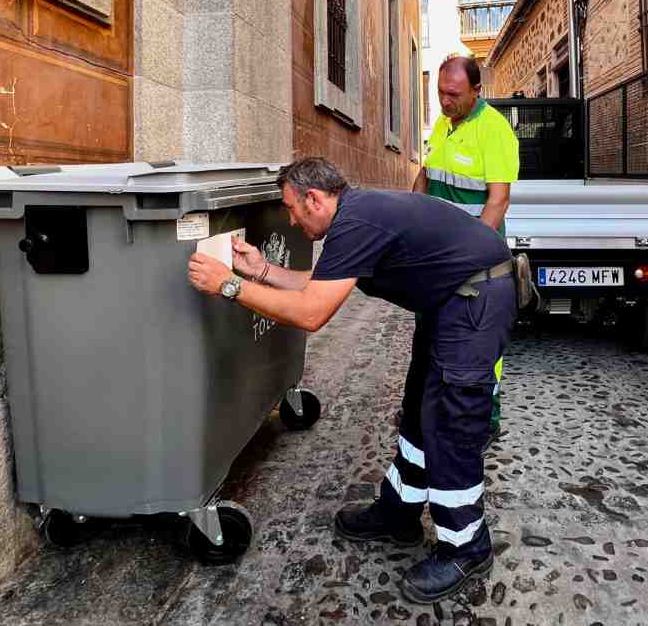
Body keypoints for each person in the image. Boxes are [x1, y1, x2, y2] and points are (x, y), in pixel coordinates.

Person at [187, 157, 517, 604]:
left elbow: (311, 313)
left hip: (474, 303)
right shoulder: (356, 216)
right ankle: (398, 513)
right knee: (420, 411)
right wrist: (258, 271)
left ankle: (466, 548)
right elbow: (323, 283)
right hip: (450, 300)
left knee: (452, 425)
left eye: (291, 208)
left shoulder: (357, 222)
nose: (290, 219)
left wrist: (229, 286)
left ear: (314, 199)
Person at [414, 55, 519, 445]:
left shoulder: (495, 131)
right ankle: (428, 412)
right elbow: (427, 176)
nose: (445, 101)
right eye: (440, 92)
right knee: (432, 336)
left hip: (474, 263)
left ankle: (484, 421)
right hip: (437, 259)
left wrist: (467, 257)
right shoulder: (443, 125)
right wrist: (409, 221)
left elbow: (498, 201)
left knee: (477, 346)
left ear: (477, 90)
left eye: (453, 94)